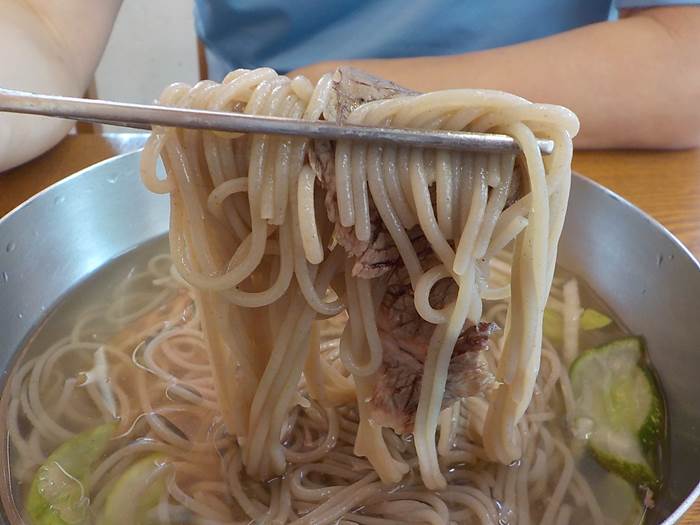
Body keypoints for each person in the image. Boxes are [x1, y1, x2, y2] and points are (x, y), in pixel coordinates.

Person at [1, 0, 699, 173]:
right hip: (256, 173)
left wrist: (331, 99)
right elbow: (44, 26)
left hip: (527, 175)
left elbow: (682, 51)